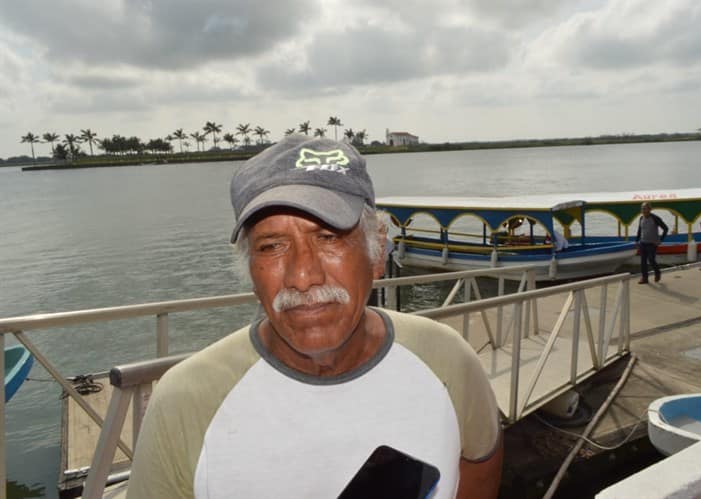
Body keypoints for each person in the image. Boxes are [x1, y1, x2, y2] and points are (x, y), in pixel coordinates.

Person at [127, 135, 503, 499]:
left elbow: (480, 463)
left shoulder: (448, 361)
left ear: (376, 253)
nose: (303, 276)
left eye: (329, 237)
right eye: (272, 246)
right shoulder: (183, 405)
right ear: (251, 273)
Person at [634, 202, 668, 284]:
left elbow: (665, 228)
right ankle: (644, 278)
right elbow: (640, 230)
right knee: (643, 261)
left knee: (651, 259)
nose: (643, 210)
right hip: (643, 242)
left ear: (650, 209)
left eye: (645, 208)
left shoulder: (655, 218)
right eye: (642, 208)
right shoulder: (641, 218)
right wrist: (636, 241)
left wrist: (660, 240)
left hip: (652, 243)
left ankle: (657, 272)